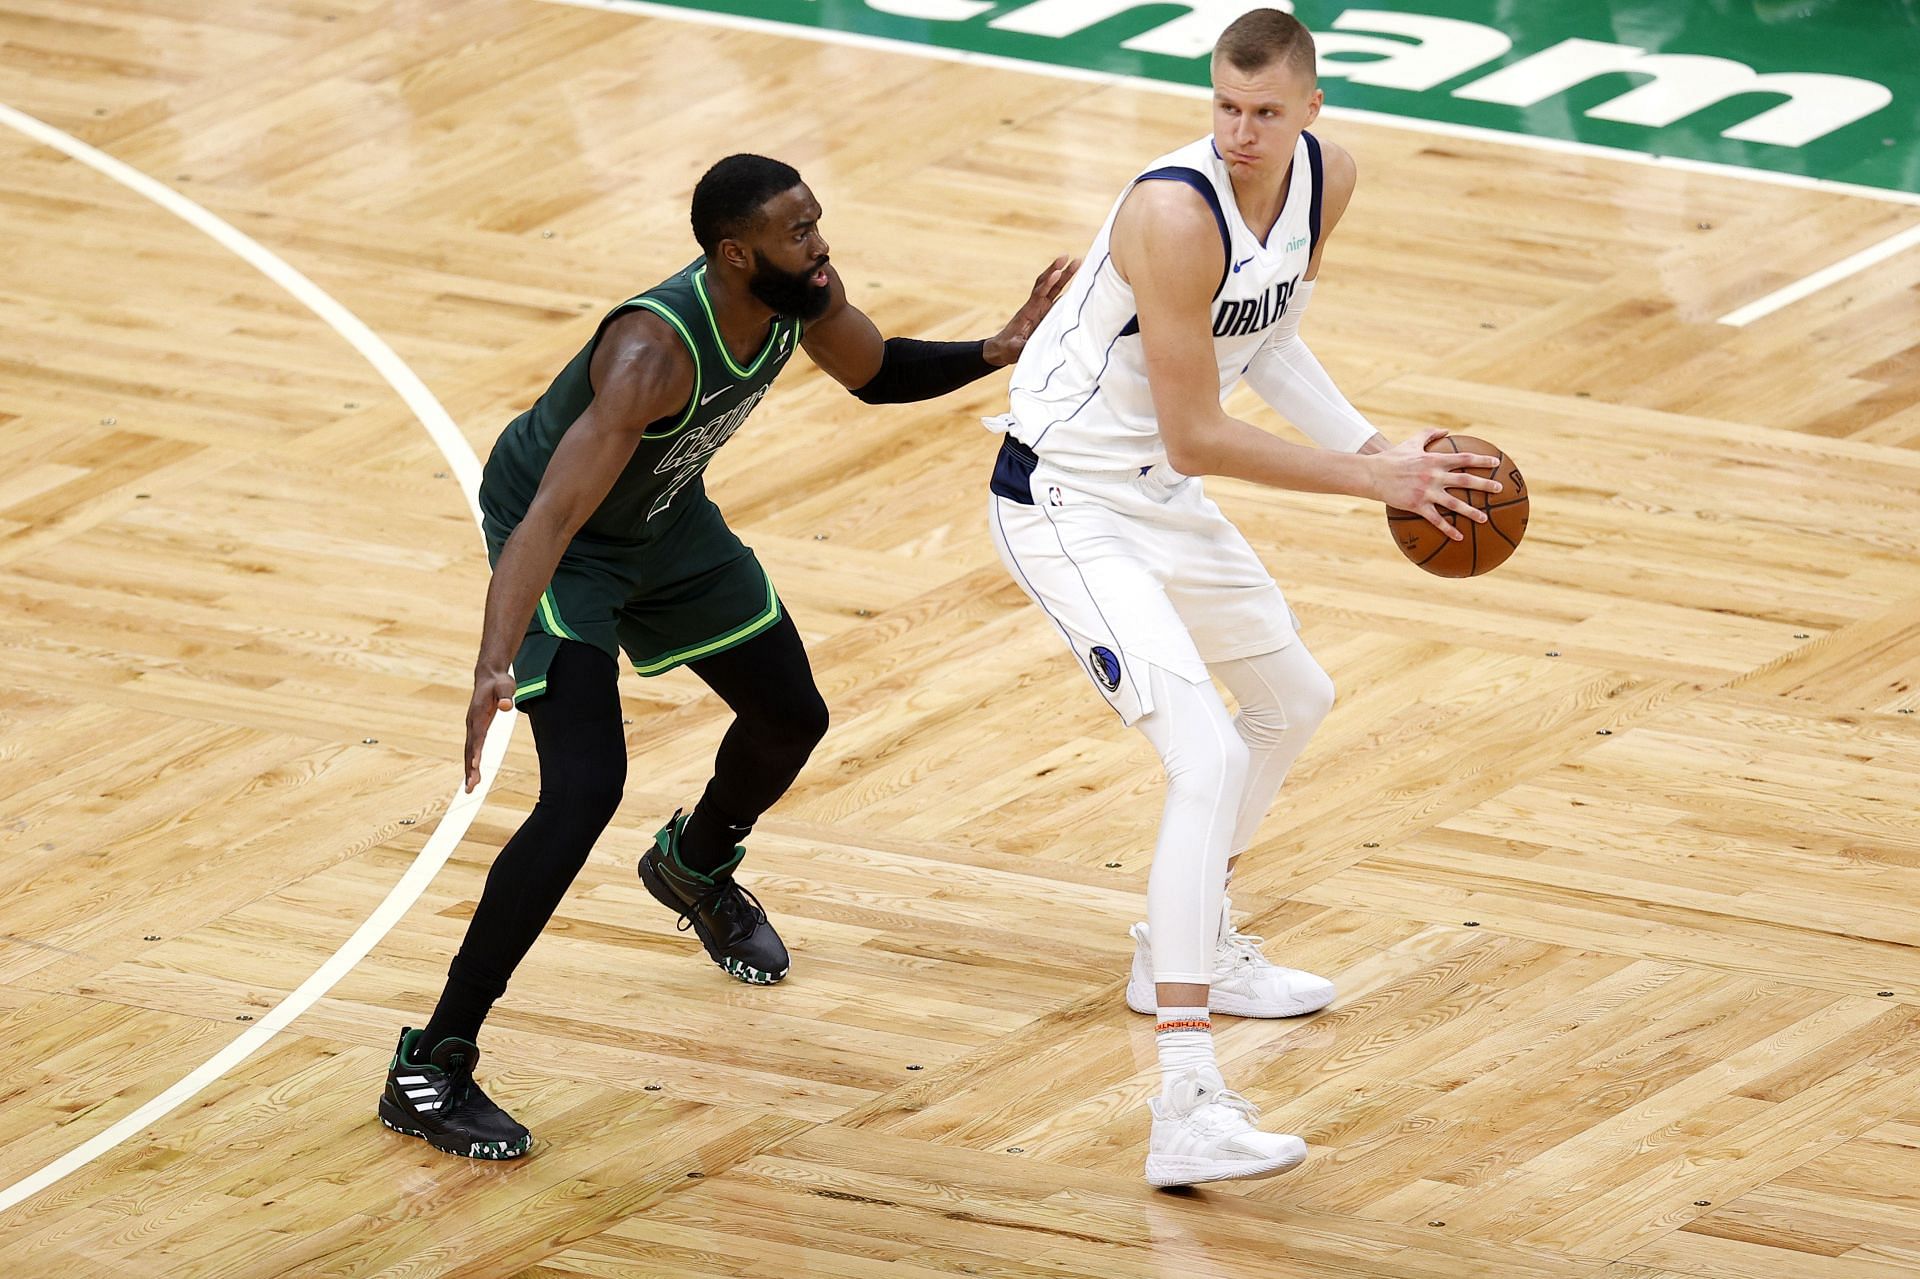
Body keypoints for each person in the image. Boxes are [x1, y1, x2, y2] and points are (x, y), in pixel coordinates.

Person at [380, 153, 1075, 1160]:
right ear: (734, 253)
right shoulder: (650, 355)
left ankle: (693, 864)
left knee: (792, 714)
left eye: (818, 221)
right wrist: (495, 659)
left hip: (664, 524)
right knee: (581, 790)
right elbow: (550, 514)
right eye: (798, 232)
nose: (821, 243)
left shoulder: (802, 296)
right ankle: (433, 1061)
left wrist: (999, 346)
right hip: (567, 550)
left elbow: (876, 373)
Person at [984, 10, 1501, 1187]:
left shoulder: (1328, 177)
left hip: (1156, 491)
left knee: (1293, 698)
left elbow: (1262, 345)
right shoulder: (1170, 213)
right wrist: (1375, 475)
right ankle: (1186, 1099)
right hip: (1066, 500)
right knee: (1204, 758)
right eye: (1224, 105)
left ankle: (1190, 944)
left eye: (1266, 112)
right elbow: (1201, 431)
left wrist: (1373, 442)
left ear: (1311, 109)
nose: (1240, 131)